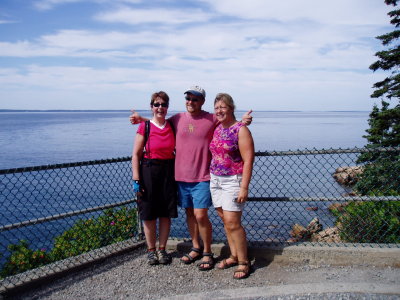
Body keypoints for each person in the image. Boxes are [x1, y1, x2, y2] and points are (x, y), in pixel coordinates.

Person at [130, 86, 252, 271]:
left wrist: (243, 121)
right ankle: (196, 247)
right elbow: (158, 122)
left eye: (195, 99)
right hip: (180, 177)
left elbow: (229, 123)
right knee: (190, 214)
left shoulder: (211, 118)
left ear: (202, 101)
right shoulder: (177, 119)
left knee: (201, 215)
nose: (191, 102)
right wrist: (142, 119)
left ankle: (208, 252)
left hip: (203, 176)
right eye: (188, 98)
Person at [209, 93, 255, 280]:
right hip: (215, 179)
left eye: (223, 107)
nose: (219, 111)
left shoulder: (241, 130)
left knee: (233, 222)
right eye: (217, 107)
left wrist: (244, 187)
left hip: (233, 180)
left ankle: (244, 262)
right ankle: (234, 255)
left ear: (231, 108)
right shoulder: (218, 127)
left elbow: (248, 160)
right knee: (224, 220)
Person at [131, 91, 177, 265]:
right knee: (149, 214)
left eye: (163, 104)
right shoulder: (145, 127)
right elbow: (135, 155)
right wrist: (136, 180)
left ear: (167, 107)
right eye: (156, 104)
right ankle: (151, 251)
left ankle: (162, 249)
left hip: (168, 171)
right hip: (148, 171)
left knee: (165, 214)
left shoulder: (172, 125)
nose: (160, 108)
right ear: (151, 107)